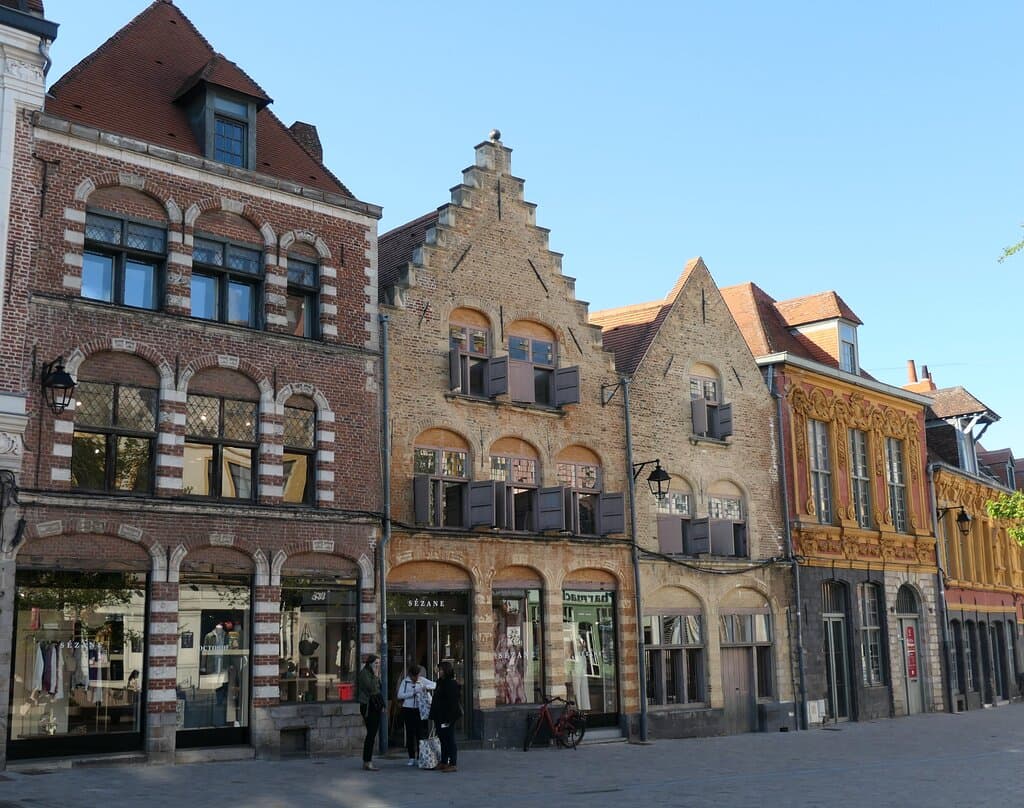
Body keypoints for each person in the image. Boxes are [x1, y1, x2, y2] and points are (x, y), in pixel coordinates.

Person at [396, 664, 436, 766]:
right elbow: (400, 695)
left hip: (419, 709)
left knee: (420, 733)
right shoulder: (405, 681)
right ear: (410, 675)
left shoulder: (421, 680)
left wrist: (425, 687)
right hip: (408, 709)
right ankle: (411, 757)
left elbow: (434, 685)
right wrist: (412, 692)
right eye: (414, 676)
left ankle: (420, 756)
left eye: (417, 676)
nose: (416, 678)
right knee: (410, 733)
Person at [429, 660, 461, 772]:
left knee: (449, 739)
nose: (439, 671)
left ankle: (453, 763)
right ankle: (443, 761)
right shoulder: (440, 682)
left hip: (447, 716)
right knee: (442, 738)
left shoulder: (452, 684)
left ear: (446, 671)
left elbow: (453, 702)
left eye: (441, 669)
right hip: (439, 715)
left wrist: (449, 719)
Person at [356, 653, 383, 771]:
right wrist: (376, 676)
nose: (377, 666)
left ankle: (367, 760)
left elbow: (378, 689)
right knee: (371, 734)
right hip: (367, 706)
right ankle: (367, 761)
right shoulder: (364, 674)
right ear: (370, 664)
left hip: (375, 705)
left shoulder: (373, 674)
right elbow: (372, 688)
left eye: (379, 664)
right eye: (375, 663)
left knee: (372, 733)